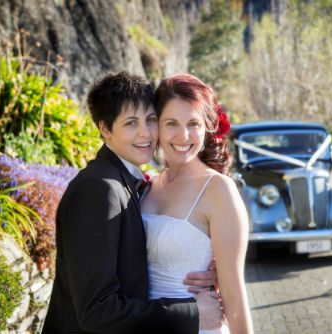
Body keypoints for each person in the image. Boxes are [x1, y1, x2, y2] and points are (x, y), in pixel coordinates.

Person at [42, 71, 223, 333]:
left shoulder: (128, 182)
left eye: (150, 120)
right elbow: (97, 310)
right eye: (130, 123)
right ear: (105, 129)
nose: (145, 134)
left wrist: (202, 261)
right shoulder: (98, 189)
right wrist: (192, 312)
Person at [140, 74, 254, 334]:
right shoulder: (146, 187)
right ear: (156, 125)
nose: (183, 136)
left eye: (193, 123)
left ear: (207, 128)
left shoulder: (218, 190)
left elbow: (234, 296)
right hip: (150, 324)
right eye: (171, 123)